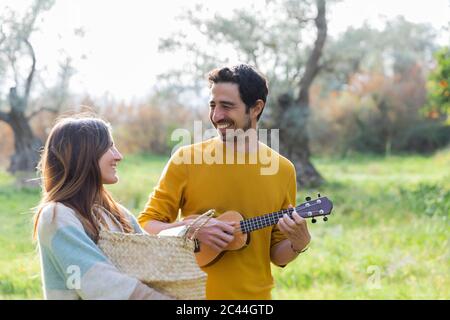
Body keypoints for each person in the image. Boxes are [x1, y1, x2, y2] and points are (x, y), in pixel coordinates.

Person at [138, 64, 311, 300]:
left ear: (256, 108)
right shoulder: (186, 160)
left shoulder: (282, 170)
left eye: (227, 106)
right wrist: (190, 229)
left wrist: (298, 244)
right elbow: (146, 226)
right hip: (191, 298)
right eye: (213, 105)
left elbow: (276, 253)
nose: (217, 116)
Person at [34, 115, 173, 300]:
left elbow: (154, 257)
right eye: (109, 147)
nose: (118, 156)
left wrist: (189, 233)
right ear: (83, 154)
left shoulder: (118, 214)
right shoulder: (56, 216)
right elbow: (99, 283)